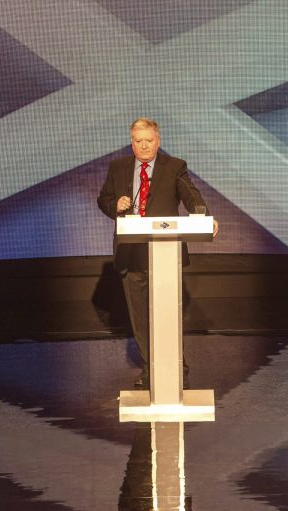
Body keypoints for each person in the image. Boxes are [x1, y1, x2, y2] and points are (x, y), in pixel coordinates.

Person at [97, 118, 218, 389]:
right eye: (138, 141)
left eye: (148, 141)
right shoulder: (118, 168)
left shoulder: (174, 166)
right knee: (140, 317)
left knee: (166, 314)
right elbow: (103, 199)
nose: (144, 146)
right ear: (132, 143)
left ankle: (175, 365)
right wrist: (114, 204)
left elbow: (192, 196)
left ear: (157, 141)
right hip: (131, 252)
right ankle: (151, 369)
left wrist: (205, 217)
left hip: (165, 252)